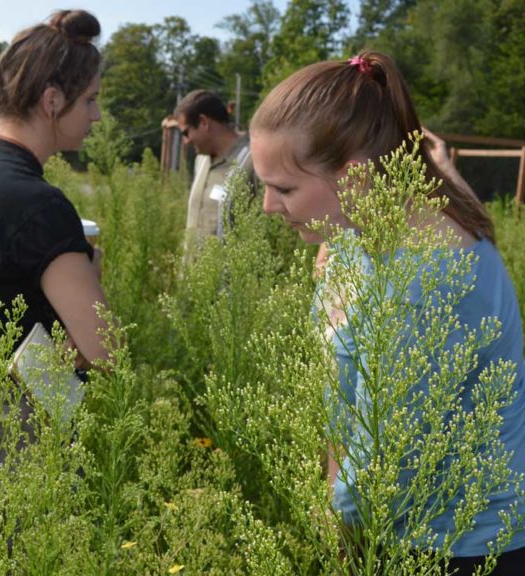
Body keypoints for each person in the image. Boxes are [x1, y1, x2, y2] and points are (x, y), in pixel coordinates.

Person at [249, 51, 525, 573]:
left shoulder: (431, 282)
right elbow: (342, 390)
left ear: (353, 178)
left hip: (458, 547)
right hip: (385, 525)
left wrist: (331, 534)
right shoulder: (358, 233)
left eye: (282, 188)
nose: (268, 205)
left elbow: (385, 462)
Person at [0, 10, 110, 375]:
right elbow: (106, 349)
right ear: (52, 100)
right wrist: (92, 268)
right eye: (89, 99)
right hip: (12, 422)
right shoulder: (38, 204)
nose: (96, 115)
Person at [174, 89, 255, 255]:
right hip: (196, 277)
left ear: (204, 122)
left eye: (186, 133)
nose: (186, 141)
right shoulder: (201, 161)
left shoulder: (252, 161)